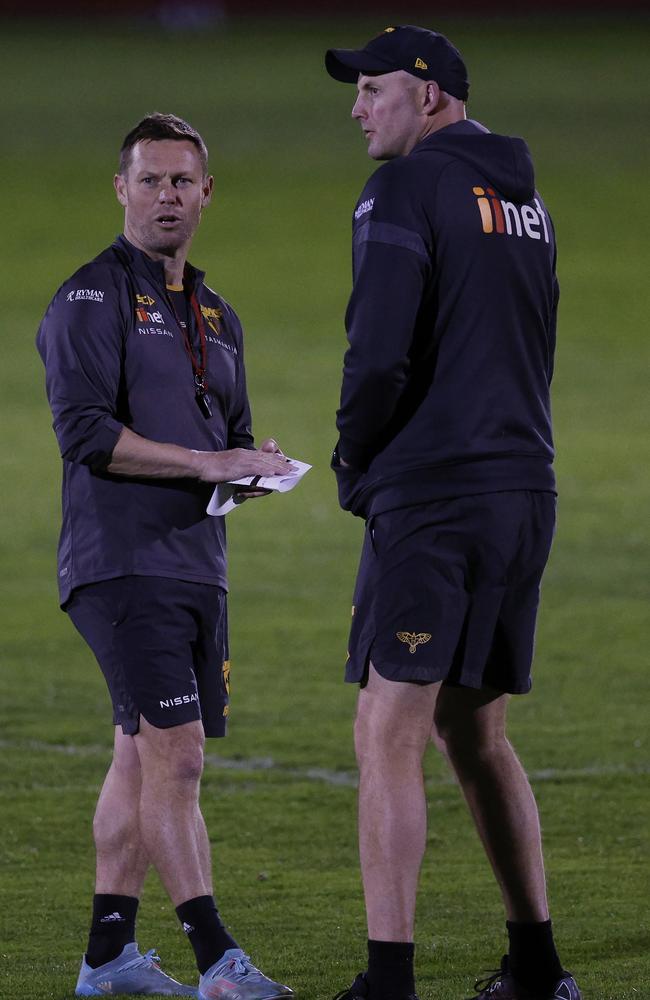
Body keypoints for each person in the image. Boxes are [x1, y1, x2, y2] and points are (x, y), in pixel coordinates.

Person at [324, 26, 581, 1000]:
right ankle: (536, 965)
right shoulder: (525, 202)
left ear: (428, 97)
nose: (356, 108)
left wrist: (354, 454)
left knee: (385, 727)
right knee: (474, 732)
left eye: (372, 90)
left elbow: (377, 349)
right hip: (523, 491)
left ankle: (388, 978)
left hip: (435, 495)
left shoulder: (403, 188)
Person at [36, 112, 294, 1000]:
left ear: (207, 191)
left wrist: (254, 465)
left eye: (183, 180)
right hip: (121, 560)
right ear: (121, 188)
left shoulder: (220, 316)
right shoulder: (87, 297)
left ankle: (107, 957)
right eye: (150, 179)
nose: (167, 196)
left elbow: (228, 434)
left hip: (195, 563)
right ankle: (218, 961)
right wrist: (206, 461)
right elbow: (84, 433)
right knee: (177, 757)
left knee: (137, 757)